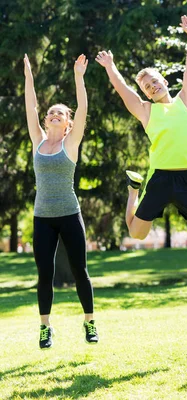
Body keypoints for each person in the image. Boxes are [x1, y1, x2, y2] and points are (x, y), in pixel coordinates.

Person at [95, 15, 187, 243]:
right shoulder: (146, 111)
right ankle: (134, 189)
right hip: (159, 178)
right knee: (137, 233)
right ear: (146, 94)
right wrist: (110, 66)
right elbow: (124, 90)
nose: (152, 87)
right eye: (147, 87)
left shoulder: (186, 101)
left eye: (154, 81)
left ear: (164, 81)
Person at [24, 54, 98, 349]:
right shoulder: (38, 141)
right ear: (46, 120)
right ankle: (45, 328)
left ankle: (89, 322)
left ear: (67, 123)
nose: (55, 114)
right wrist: (29, 77)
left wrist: (78, 77)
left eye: (60, 114)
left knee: (80, 269)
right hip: (42, 217)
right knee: (45, 273)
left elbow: (82, 109)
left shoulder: (71, 142)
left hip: (69, 214)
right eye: (51, 112)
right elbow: (31, 106)